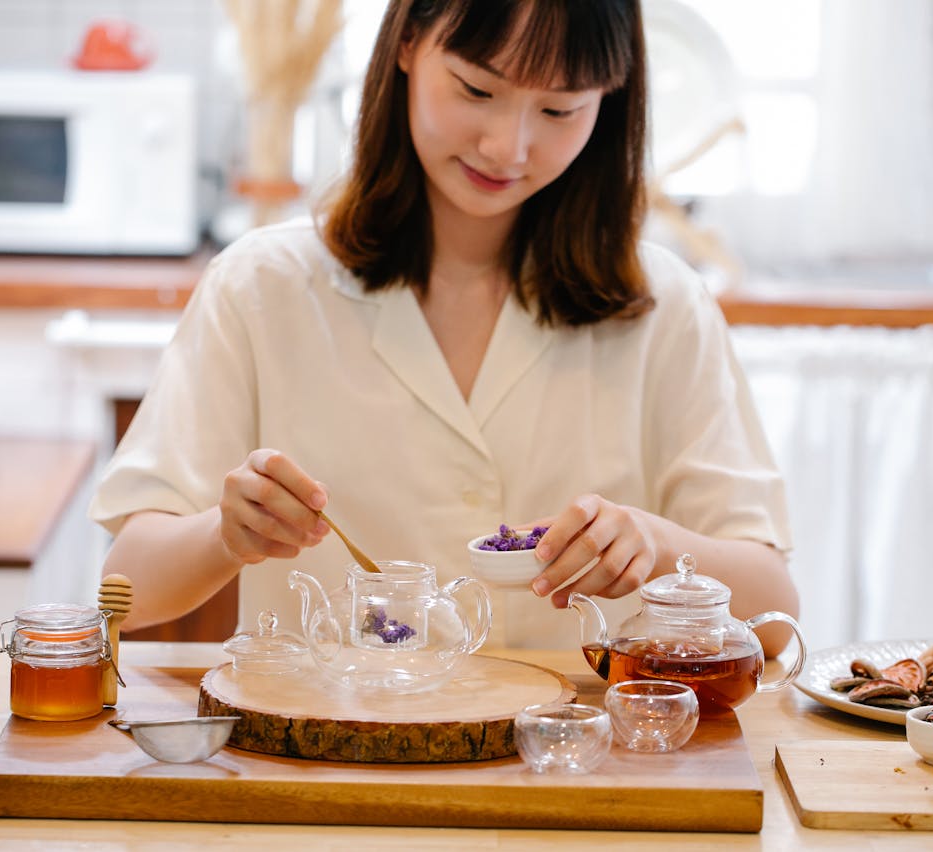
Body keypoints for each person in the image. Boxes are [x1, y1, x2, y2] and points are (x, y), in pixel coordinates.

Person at [90, 0, 799, 655]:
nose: (508, 147)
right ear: (406, 43)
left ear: (608, 103)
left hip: (577, 769)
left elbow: (773, 615)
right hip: (328, 770)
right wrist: (225, 534)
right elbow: (126, 590)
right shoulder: (261, 288)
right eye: (477, 90)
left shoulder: (663, 305)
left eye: (559, 110)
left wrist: (654, 543)